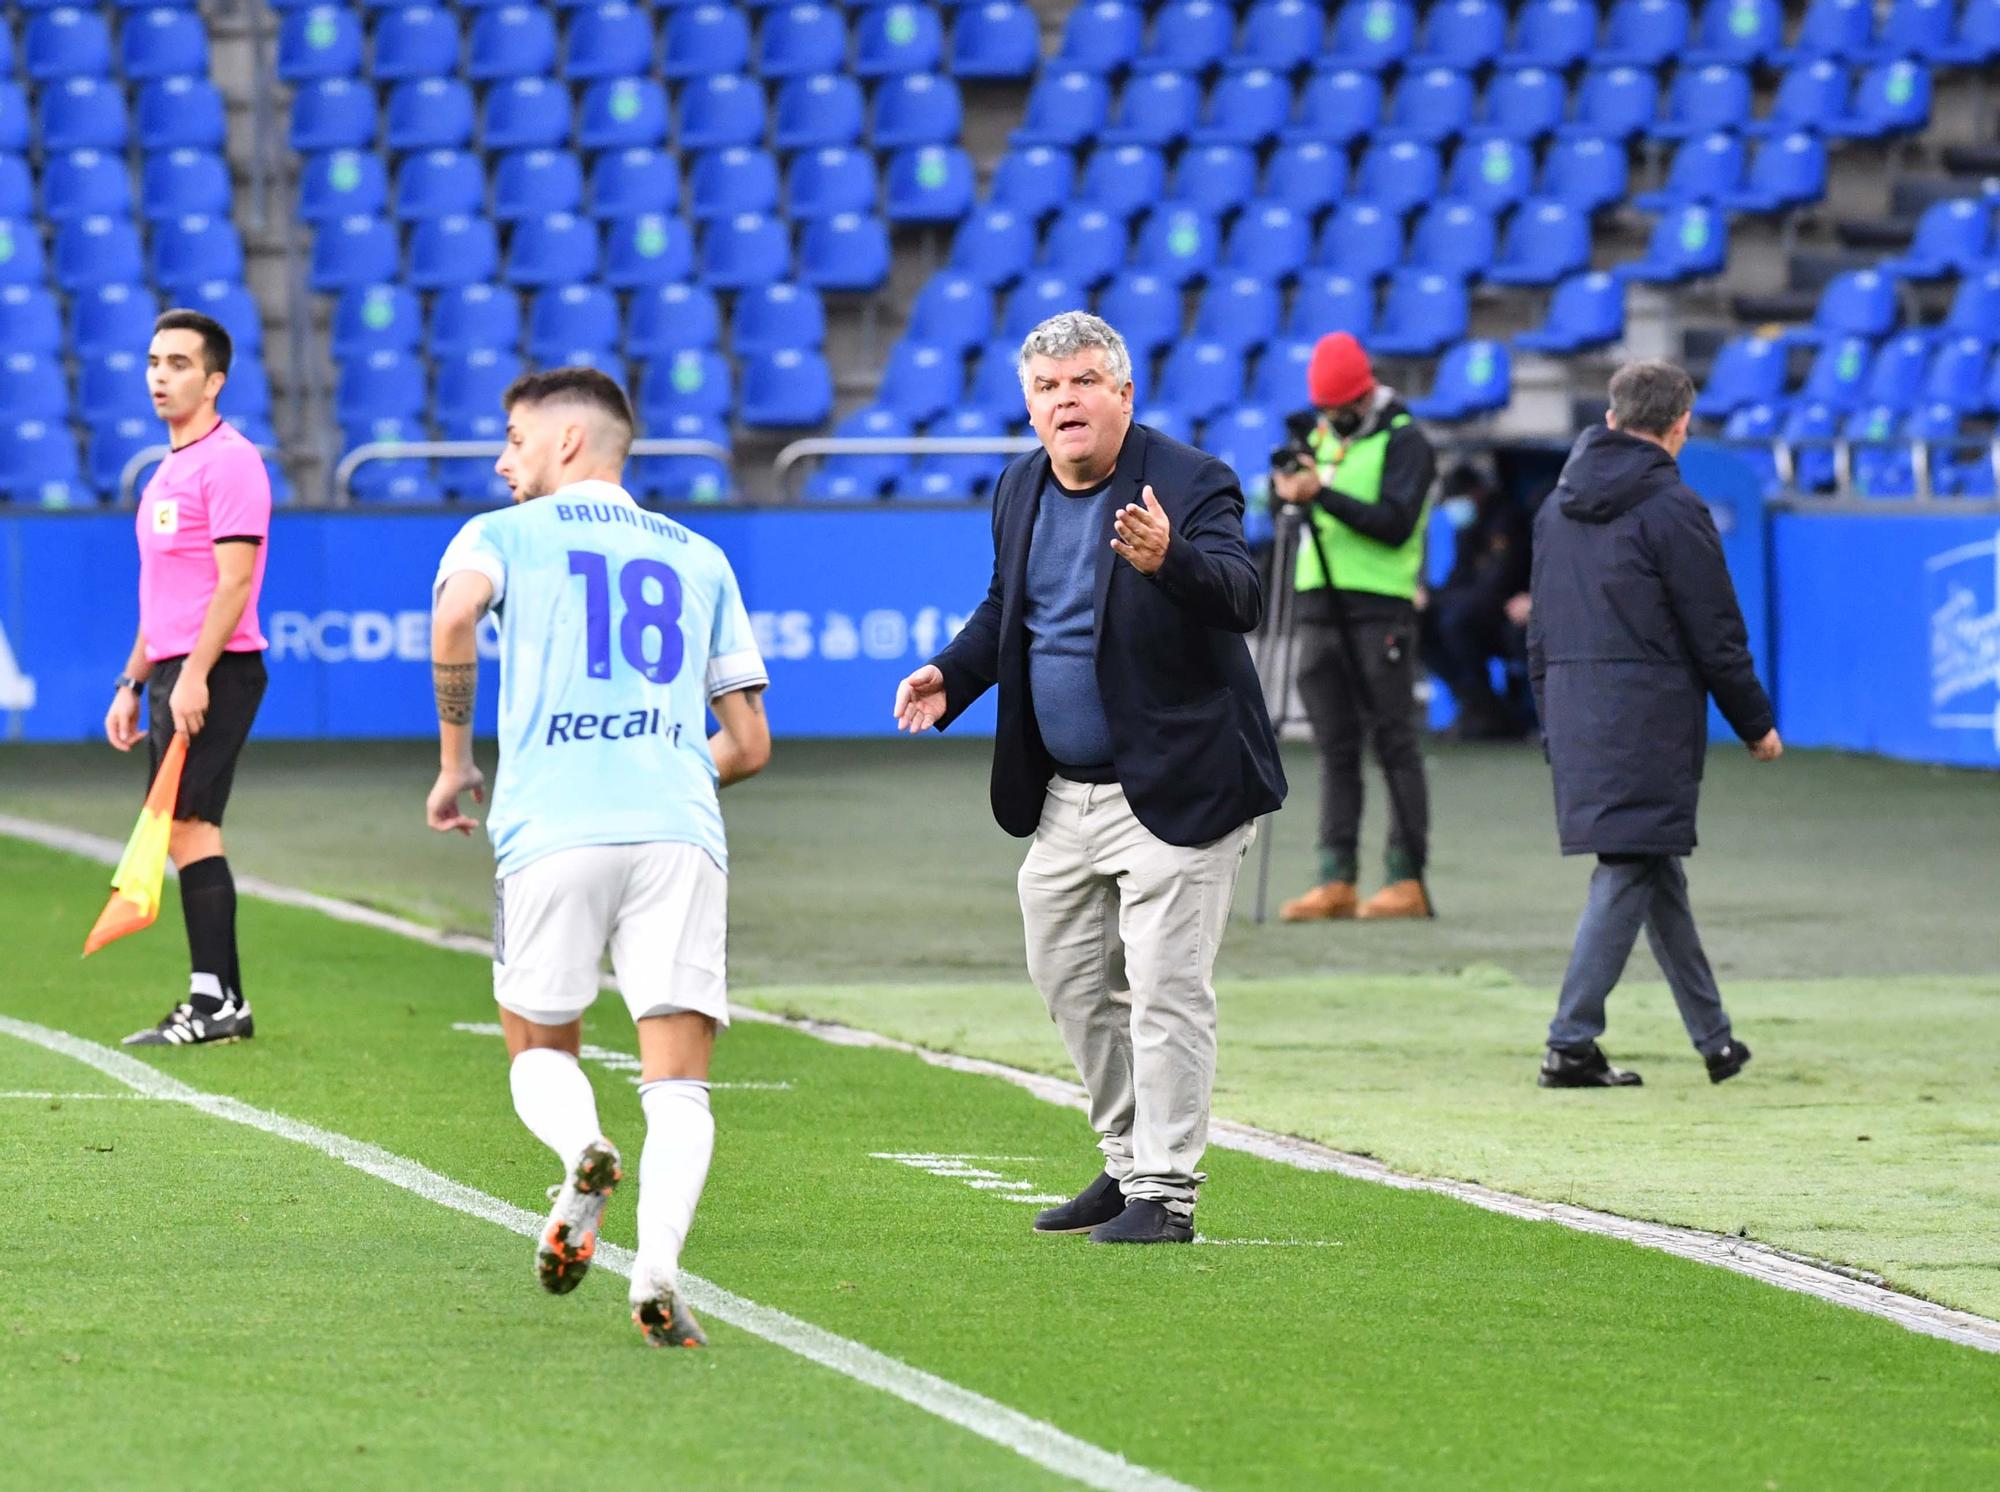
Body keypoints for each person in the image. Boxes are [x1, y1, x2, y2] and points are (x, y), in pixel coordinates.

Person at [893, 311, 1285, 1246]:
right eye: (1046, 388)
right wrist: (954, 674)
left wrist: (1172, 560)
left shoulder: (1192, 481)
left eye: (1081, 382)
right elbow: (1007, 610)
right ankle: (1125, 1162)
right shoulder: (1019, 484)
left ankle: (1169, 1193)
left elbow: (1244, 596)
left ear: (1123, 393)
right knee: (1068, 977)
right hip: (1065, 792)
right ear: (1029, 407)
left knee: (1164, 990)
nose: (1064, 400)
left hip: (1178, 789)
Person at [426, 368, 771, 1346]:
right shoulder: (698, 555)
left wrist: (456, 764)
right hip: (678, 832)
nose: (502, 459)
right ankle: (655, 1271)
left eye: (513, 437)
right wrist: (660, 765)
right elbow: (747, 744)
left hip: (552, 827)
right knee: (679, 1082)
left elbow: (455, 619)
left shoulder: (503, 535)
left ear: (568, 443)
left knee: (537, 1041)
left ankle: (581, 1151)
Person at [1528, 361, 1779, 1089]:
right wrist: (1755, 721)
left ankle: (1715, 1041)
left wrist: (1552, 718)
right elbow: (1717, 632)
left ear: (1610, 419)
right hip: (1647, 719)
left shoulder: (1554, 508)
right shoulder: (1676, 510)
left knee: (1651, 864)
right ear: (1679, 429)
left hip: (1578, 710)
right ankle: (1570, 1042)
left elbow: (1539, 634)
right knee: (1630, 865)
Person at [106, 309, 272, 1048]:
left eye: (177, 363)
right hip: (176, 669)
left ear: (214, 381)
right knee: (181, 829)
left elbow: (234, 584)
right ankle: (218, 1000)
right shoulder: (166, 471)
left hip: (219, 668)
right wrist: (132, 681)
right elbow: (161, 596)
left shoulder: (230, 461)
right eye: (153, 362)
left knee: (191, 825)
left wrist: (196, 673)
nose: (160, 377)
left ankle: (216, 1003)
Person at [1270, 332, 1437, 923]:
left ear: (1362, 397)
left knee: (1394, 744)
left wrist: (1323, 494)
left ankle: (1407, 877)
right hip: (1318, 607)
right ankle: (1335, 877)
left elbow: (1393, 523)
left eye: (1336, 409)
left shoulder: (1407, 442)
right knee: (1335, 750)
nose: (1328, 420)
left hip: (1380, 610)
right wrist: (1286, 494)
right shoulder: (1317, 436)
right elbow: (1289, 508)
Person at [1419, 464, 1534, 741]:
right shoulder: (1468, 529)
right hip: (1479, 613)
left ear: (1478, 492)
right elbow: (1459, 580)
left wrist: (1437, 599)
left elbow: (1494, 585)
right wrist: (1428, 598)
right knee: (1420, 625)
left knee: (1457, 620)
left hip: (1512, 615)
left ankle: (1500, 713)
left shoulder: (1505, 523)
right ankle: (1478, 706)